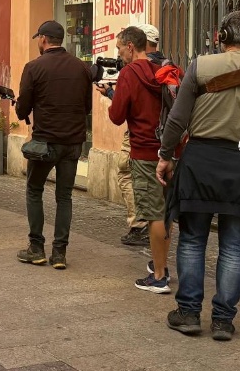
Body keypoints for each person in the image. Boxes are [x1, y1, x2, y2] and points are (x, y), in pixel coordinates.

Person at [156, 10, 240, 341]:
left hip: (201, 161)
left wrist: (165, 155)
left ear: (223, 36)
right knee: (234, 245)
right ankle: (223, 320)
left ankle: (188, 312)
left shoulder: (201, 66)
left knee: (192, 239)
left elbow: (177, 119)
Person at [15, 20, 92, 270]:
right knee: (64, 196)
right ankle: (59, 253)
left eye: (38, 38)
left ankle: (36, 248)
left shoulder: (34, 67)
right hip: (73, 142)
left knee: (34, 190)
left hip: (45, 142)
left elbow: (22, 108)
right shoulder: (82, 67)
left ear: (43, 39)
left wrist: (21, 107)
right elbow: (87, 107)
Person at [107, 26, 174, 294]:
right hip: (169, 151)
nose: (119, 54)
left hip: (145, 151)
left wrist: (112, 97)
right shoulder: (166, 68)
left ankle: (159, 276)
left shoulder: (129, 73)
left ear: (131, 47)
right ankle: (162, 264)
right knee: (165, 213)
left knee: (153, 214)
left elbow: (116, 116)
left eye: (119, 48)